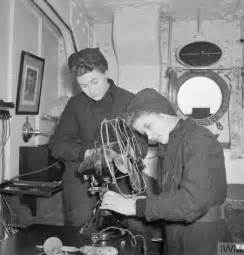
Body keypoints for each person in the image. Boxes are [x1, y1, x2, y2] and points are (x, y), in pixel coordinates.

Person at [101, 88, 232, 255]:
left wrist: (137, 206)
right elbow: (171, 196)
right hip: (175, 233)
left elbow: (192, 203)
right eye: (144, 132)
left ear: (162, 112)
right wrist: (139, 199)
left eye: (148, 126)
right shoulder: (168, 144)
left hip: (205, 237)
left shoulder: (199, 139)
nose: (149, 137)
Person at [48, 48, 136, 226]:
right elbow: (57, 144)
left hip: (121, 174)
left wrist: (116, 156)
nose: (91, 90)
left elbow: (139, 144)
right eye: (83, 86)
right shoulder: (75, 105)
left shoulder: (129, 101)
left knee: (135, 224)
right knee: (81, 222)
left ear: (106, 72)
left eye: (95, 81)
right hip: (82, 176)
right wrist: (86, 153)